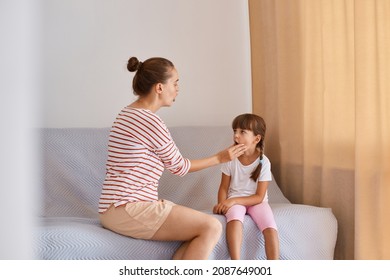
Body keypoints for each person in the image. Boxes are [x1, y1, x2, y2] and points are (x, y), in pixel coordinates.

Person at [98, 56, 247, 260]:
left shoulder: (126, 114)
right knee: (211, 226)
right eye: (175, 83)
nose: (177, 89)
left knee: (198, 229)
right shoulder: (150, 121)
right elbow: (179, 167)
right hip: (129, 208)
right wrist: (221, 157)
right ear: (160, 87)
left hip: (113, 209)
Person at [213, 113, 280, 260]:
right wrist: (222, 204)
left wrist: (233, 201)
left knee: (270, 227)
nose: (236, 136)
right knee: (235, 219)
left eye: (242, 132)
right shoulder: (230, 159)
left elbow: (259, 197)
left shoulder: (264, 162)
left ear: (256, 139)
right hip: (234, 201)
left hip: (256, 202)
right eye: (235, 131)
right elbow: (224, 187)